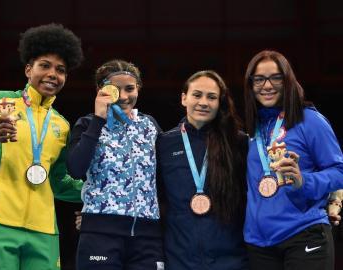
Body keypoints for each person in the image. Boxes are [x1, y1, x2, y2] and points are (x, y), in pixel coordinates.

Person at [0, 23, 84, 270]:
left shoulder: (61, 126)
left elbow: (59, 181)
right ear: (28, 69)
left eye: (61, 69)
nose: (53, 74)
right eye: (45, 65)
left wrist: (96, 192)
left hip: (43, 229)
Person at [243, 50, 343, 270]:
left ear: (287, 80)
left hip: (303, 234)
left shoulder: (310, 120)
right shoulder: (254, 130)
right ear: (250, 84)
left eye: (275, 77)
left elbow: (339, 171)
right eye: (259, 79)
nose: (267, 85)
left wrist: (303, 181)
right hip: (259, 245)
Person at [67, 59, 164, 270]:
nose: (123, 96)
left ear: (138, 88)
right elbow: (75, 169)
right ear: (100, 90)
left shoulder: (150, 126)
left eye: (130, 88)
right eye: (115, 89)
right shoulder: (86, 124)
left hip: (147, 237)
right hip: (100, 236)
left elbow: (165, 176)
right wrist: (99, 119)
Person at [157, 70, 249, 270]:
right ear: (184, 98)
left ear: (219, 103)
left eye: (212, 97)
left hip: (231, 260)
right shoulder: (164, 143)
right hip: (180, 259)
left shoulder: (238, 142)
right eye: (197, 95)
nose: (204, 102)